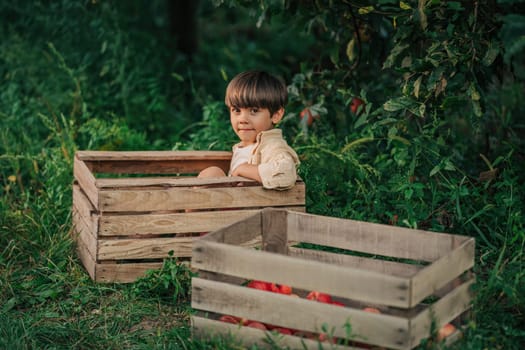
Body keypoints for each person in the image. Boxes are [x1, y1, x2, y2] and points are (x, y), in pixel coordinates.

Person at [199, 70, 300, 190]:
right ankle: (185, 208)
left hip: (250, 205)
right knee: (212, 173)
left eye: (254, 111)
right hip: (233, 202)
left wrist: (243, 169)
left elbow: (286, 173)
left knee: (212, 174)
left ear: (276, 115)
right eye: (237, 110)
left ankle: (187, 207)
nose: (243, 119)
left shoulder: (272, 147)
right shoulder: (241, 147)